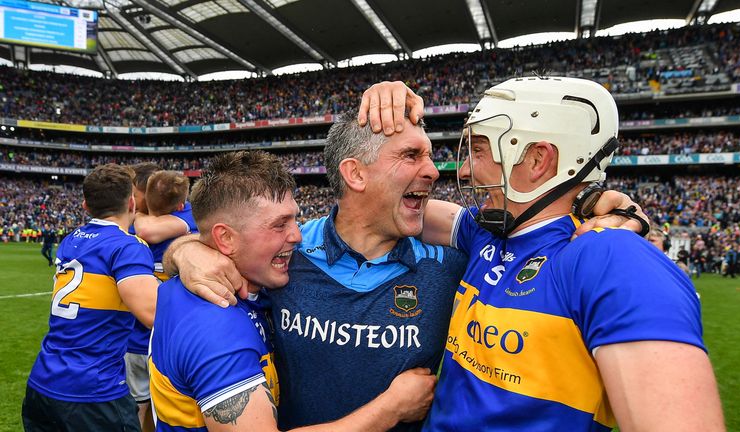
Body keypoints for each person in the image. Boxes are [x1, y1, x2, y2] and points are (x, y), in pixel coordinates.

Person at [165, 81, 650, 431]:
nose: (435, 170)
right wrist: (187, 252)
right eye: (412, 156)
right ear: (355, 174)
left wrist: (594, 199)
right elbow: (211, 248)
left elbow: (543, 224)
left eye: (431, 154)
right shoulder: (288, 255)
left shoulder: (460, 258)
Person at [416, 76, 724, 431]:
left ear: (537, 159)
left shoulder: (613, 258)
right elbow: (397, 212)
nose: (465, 170)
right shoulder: (484, 231)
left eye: (480, 149)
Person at [150, 150, 436, 431]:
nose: (297, 236)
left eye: (294, 219)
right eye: (279, 225)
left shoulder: (238, 283)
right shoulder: (215, 326)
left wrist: (183, 249)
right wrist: (392, 408)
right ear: (225, 238)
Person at [22, 164, 159, 432]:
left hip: (42, 383)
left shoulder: (70, 241)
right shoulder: (127, 246)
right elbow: (154, 314)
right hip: (93, 392)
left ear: (85, 205)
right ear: (132, 202)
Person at [127, 169, 198, 432]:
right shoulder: (189, 216)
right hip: (170, 334)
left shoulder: (136, 224)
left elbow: (148, 229)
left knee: (141, 405)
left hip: (142, 334)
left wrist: (139, 212)